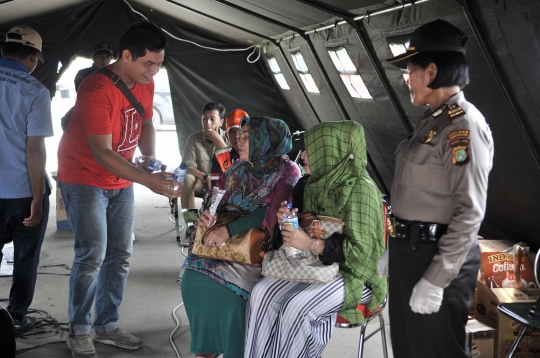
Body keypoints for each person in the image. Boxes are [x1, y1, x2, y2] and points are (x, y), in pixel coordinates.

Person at [57, 22, 181, 358]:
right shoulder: (96, 89)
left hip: (120, 180)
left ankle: (107, 324)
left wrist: (150, 160)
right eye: (148, 64)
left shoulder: (146, 82)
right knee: (92, 254)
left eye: (158, 64)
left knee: (120, 254)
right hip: (84, 177)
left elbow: (146, 122)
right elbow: (102, 153)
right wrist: (149, 181)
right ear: (126, 55)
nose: (154, 71)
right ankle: (79, 329)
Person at [379, 19, 494, 358]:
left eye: (410, 70)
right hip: (410, 252)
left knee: (436, 350)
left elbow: (470, 213)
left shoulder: (463, 126)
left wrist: (436, 279)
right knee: (409, 349)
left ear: (431, 72)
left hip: (436, 257)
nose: (407, 79)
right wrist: (396, 244)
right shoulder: (432, 121)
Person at [244, 120, 387, 357]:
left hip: (355, 274)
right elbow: (290, 241)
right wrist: (287, 223)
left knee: (296, 307)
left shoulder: (361, 190)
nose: (304, 155)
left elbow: (364, 255)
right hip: (313, 265)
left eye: (312, 148)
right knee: (261, 293)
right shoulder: (307, 184)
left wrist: (311, 244)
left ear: (331, 149)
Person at [179, 116, 301, 358]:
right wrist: (207, 215)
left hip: (259, 250)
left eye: (248, 137)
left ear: (266, 140)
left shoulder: (287, 173)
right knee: (192, 277)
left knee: (233, 294)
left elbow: (271, 215)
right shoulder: (238, 168)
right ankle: (207, 349)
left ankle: (237, 351)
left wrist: (230, 229)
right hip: (222, 242)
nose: (239, 142)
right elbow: (216, 197)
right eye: (240, 136)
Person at [0, 26, 52, 334]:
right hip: (21, 191)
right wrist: (36, 197)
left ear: (4, 51)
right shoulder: (35, 91)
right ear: (33, 57)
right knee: (25, 257)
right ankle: (16, 316)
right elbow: (35, 147)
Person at [181, 102, 228, 209]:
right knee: (187, 179)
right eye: (204, 118)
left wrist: (219, 142)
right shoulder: (193, 139)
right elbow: (188, 166)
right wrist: (206, 177)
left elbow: (234, 165)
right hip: (201, 180)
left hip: (223, 182)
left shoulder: (228, 137)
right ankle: (191, 222)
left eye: (212, 119)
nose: (207, 123)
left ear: (221, 122)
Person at [209, 109, 247, 186]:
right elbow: (215, 187)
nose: (236, 136)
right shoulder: (218, 157)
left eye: (240, 130)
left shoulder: (260, 154)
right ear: (227, 136)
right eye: (232, 132)